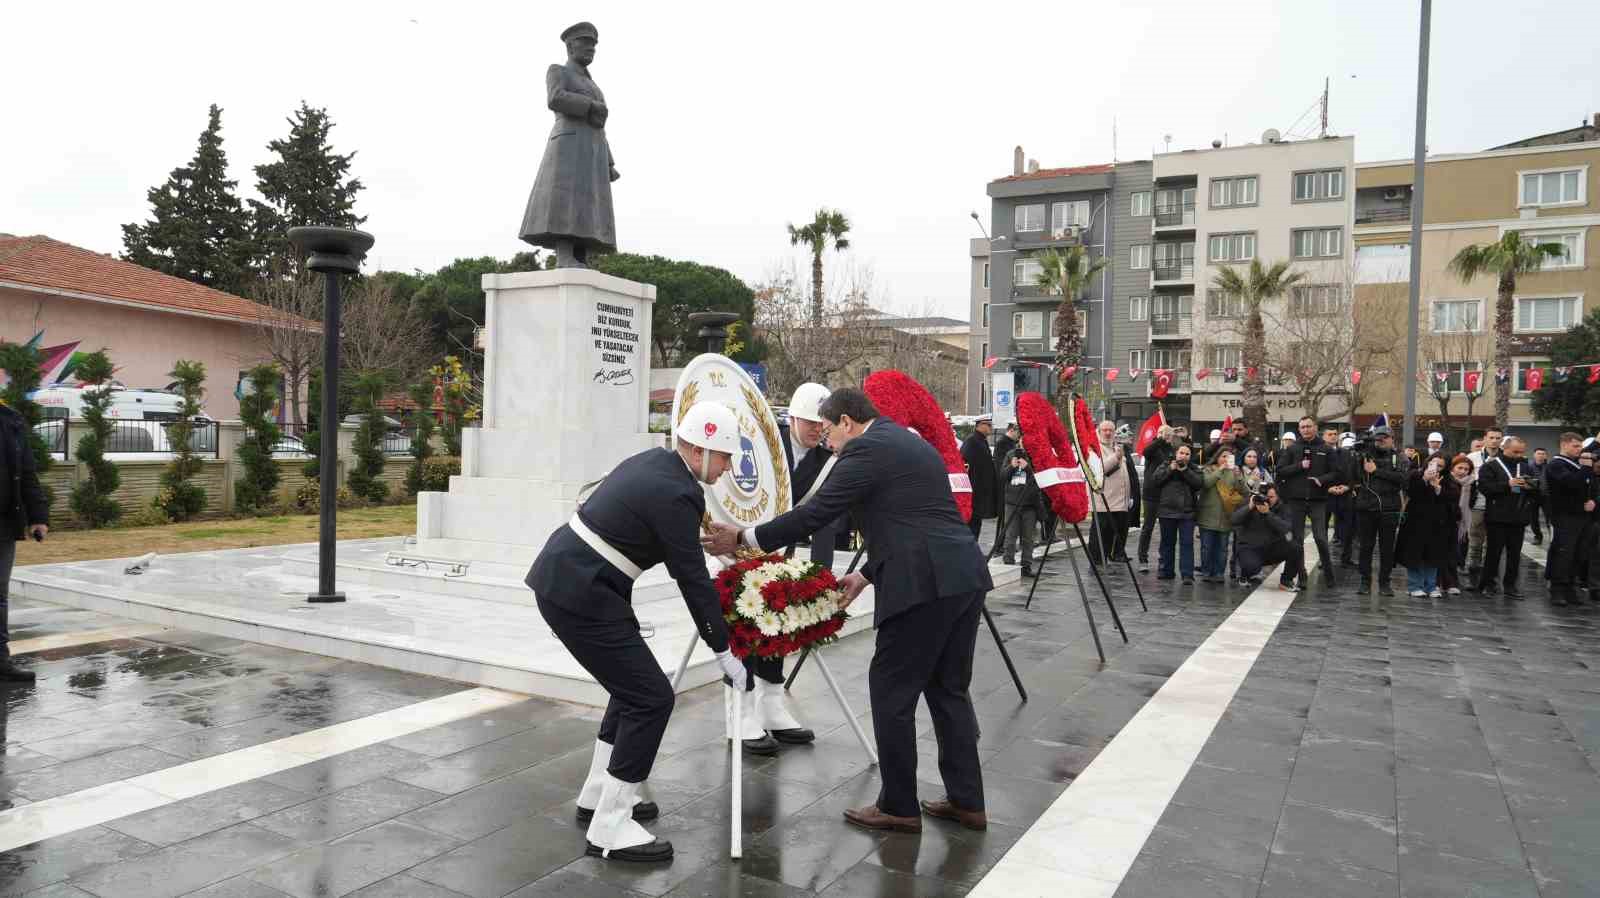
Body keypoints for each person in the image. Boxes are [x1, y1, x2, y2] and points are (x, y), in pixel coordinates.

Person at [702, 388, 993, 834]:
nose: (827, 443)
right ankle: (967, 800)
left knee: (891, 692)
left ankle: (898, 805)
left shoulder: (864, 451)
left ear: (846, 423)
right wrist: (865, 575)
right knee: (948, 689)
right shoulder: (909, 442)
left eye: (828, 432)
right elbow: (913, 521)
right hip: (963, 577)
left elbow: (815, 514)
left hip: (923, 586)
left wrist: (743, 538)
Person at [525, 401, 747, 863]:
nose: (727, 467)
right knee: (651, 698)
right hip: (582, 593)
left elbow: (669, 542)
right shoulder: (678, 492)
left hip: (577, 582)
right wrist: (723, 649)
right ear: (702, 449)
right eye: (725, 456)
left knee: (632, 692)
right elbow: (691, 580)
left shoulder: (657, 465)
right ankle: (611, 824)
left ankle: (598, 795)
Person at [743, 382, 841, 755]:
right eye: (812, 423)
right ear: (793, 419)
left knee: (778, 627)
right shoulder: (767, 445)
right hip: (744, 549)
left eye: (824, 424)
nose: (819, 430)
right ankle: (741, 711)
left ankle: (771, 705)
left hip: (781, 553)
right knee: (746, 630)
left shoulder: (825, 461)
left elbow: (825, 519)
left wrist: (822, 576)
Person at [519, 22, 621, 268]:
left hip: (593, 150)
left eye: (594, 44)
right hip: (568, 144)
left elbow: (600, 126)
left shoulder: (594, 85)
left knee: (587, 203)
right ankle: (564, 255)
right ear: (570, 45)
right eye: (585, 42)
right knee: (567, 200)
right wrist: (589, 105)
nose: (591, 48)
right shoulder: (558, 71)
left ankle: (580, 255)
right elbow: (555, 98)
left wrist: (609, 162)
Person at [1, 400, 49, 681]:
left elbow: (27, 474)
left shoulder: (11, 421)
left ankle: (0, 660)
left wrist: (38, 517)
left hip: (3, 523)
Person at [1275, 416, 1343, 588]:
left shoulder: (1326, 449)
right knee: (1297, 542)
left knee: (1321, 538)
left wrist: (1322, 480)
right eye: (1302, 427)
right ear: (1299, 429)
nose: (1305, 429)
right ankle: (1301, 575)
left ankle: (1329, 574)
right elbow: (1280, 471)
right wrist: (1299, 466)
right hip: (1296, 501)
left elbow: (1337, 473)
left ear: (1315, 427)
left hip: (1318, 500)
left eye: (1308, 426)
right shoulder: (1291, 449)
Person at [1472, 436, 1537, 599]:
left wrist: (1530, 486)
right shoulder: (1491, 466)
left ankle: (1510, 585)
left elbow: (1537, 490)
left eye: (1522, 452)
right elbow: (1485, 488)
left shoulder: (1525, 466)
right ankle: (1488, 583)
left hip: (1519, 517)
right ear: (1505, 448)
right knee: (1494, 552)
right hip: (1497, 517)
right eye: (1515, 452)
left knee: (1515, 554)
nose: (1519, 455)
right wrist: (1507, 485)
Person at [1347, 426, 1407, 597]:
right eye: (1377, 438)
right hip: (1366, 507)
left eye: (1384, 438)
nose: (1380, 441)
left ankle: (1384, 582)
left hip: (1389, 508)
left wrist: (1377, 471)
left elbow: (1403, 480)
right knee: (1366, 546)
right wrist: (1356, 457)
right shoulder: (1364, 455)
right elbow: (1352, 476)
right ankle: (1365, 581)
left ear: (1392, 439)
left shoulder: (1399, 457)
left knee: (1387, 548)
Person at [1398, 455, 1459, 599]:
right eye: (1433, 463)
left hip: (1438, 524)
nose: (1435, 467)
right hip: (1416, 522)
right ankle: (1414, 586)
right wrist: (1424, 479)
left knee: (1433, 556)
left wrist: (1438, 489)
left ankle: (1431, 586)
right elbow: (1410, 492)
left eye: (1440, 466)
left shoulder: (1448, 480)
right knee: (1415, 555)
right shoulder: (1416, 475)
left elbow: (1453, 497)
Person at [1545, 432, 1590, 607]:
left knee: (1578, 553)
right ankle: (1557, 588)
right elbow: (1572, 482)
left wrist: (1591, 500)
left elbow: (1587, 485)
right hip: (1563, 516)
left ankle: (1570, 587)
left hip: (1581, 516)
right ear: (1564, 445)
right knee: (1563, 552)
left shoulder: (1577, 464)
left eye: (1580, 446)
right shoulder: (1557, 464)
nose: (1579, 450)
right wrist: (1586, 467)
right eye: (1575, 446)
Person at [1150, 443, 1203, 583]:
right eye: (1181, 453)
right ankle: (1165, 570)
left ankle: (1187, 574)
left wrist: (1185, 471)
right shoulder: (1166, 464)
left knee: (1187, 543)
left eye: (1187, 454)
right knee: (1167, 543)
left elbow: (1199, 483)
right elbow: (1155, 480)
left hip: (1187, 512)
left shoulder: (1193, 468)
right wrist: (1170, 469)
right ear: (1176, 453)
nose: (1183, 456)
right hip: (1167, 511)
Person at [1232, 485, 1301, 588]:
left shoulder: (1283, 507)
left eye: (1271, 497)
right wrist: (1249, 507)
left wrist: (1267, 514)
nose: (1267, 499)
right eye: (1265, 496)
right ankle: (1244, 575)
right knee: (1252, 567)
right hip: (1251, 548)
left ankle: (1286, 580)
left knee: (1296, 548)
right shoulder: (1251, 502)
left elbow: (1286, 528)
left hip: (1271, 548)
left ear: (1278, 497)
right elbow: (1234, 520)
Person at [1197, 449, 1246, 584]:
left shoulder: (1234, 473)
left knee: (1223, 548)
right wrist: (1220, 470)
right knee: (1206, 547)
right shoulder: (1208, 469)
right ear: (1217, 457)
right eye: (1223, 456)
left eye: (1229, 457)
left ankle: (1219, 573)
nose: (1226, 459)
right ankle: (1206, 572)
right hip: (1208, 515)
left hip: (1226, 516)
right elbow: (1206, 483)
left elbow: (1245, 492)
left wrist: (1239, 476)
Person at [1087, 420, 1132, 567]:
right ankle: (1096, 562)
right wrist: (1116, 457)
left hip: (1118, 502)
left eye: (1110, 430)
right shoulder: (1094, 448)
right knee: (1100, 533)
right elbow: (1100, 469)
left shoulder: (1116, 447)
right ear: (1098, 432)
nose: (1108, 433)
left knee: (1111, 534)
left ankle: (1105, 558)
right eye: (1104, 430)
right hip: (1102, 501)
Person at [1464, 428, 1503, 578]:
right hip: (1477, 502)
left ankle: (1490, 570)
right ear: (1485, 439)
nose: (1494, 441)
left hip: (1498, 504)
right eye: (1491, 437)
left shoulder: (1505, 457)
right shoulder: (1473, 457)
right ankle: (1472, 567)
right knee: (1474, 536)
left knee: (1493, 540)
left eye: (1498, 438)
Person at [1138, 425, 1177, 570]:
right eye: (1160, 432)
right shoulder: (1153, 447)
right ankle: (1143, 558)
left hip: (1166, 493)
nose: (1163, 435)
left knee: (1166, 529)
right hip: (1151, 494)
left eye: (1166, 433)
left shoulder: (1171, 449)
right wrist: (1160, 439)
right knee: (1148, 527)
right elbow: (1146, 452)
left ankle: (1164, 560)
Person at [1000, 442, 1043, 575]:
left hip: (1029, 503)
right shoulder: (1010, 455)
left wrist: (1028, 468)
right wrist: (1011, 467)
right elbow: (1002, 476)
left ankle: (1026, 566)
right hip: (1012, 503)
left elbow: (1041, 477)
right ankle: (1008, 564)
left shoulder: (1036, 455)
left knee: (1028, 537)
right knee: (1010, 535)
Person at [1440, 455, 1476, 595]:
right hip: (1445, 519)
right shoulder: (1445, 480)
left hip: (1461, 522)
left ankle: (1451, 582)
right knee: (1442, 552)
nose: (1463, 471)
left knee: (1453, 553)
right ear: (1452, 468)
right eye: (1459, 468)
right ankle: (1440, 581)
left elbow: (1470, 503)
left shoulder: (1471, 483)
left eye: (1466, 469)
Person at [960, 418, 997, 542]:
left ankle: (972, 549)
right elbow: (964, 465)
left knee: (977, 524)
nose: (991, 428)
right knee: (971, 525)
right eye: (988, 425)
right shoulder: (971, 441)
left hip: (980, 491)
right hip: (973, 490)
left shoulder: (982, 441)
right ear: (980, 425)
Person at [988, 423, 1019, 557]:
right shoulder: (1003, 443)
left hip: (1008, 483)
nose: (1019, 436)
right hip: (1003, 484)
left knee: (1007, 517)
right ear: (1011, 430)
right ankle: (999, 545)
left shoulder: (1010, 443)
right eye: (1017, 432)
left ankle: (1003, 544)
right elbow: (1002, 465)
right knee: (1003, 517)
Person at [1327, 429, 1355, 566]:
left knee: (1348, 528)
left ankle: (1346, 558)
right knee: (1322, 530)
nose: (1333, 436)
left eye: (1335, 434)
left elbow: (1353, 472)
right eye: (1329, 434)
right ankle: (1324, 560)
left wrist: (1348, 487)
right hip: (1325, 495)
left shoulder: (1346, 453)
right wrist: (1328, 488)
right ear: (1324, 437)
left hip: (1345, 494)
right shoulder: (1319, 451)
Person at [1528, 447, 1549, 546]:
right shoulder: (1529, 467)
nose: (1541, 455)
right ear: (1534, 455)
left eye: (1543, 453)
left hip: (1547, 496)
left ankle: (1552, 537)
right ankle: (1538, 536)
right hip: (1533, 495)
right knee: (1533, 518)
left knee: (1549, 518)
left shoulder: (1549, 467)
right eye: (1538, 453)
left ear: (1546, 456)